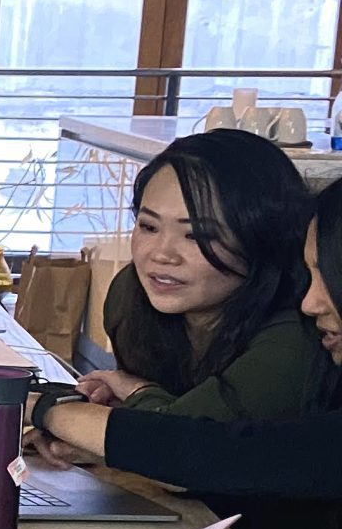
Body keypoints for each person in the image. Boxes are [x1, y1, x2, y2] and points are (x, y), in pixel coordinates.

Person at [37, 177, 342, 529]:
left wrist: (45, 407)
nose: (311, 302)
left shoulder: (291, 343)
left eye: (329, 277)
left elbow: (220, 452)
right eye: (148, 226)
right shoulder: (140, 306)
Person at [78, 129, 322, 423]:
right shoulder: (129, 297)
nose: (162, 255)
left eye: (196, 235)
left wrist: (136, 392)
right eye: (149, 227)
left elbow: (190, 442)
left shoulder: (299, 336)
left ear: (262, 237)